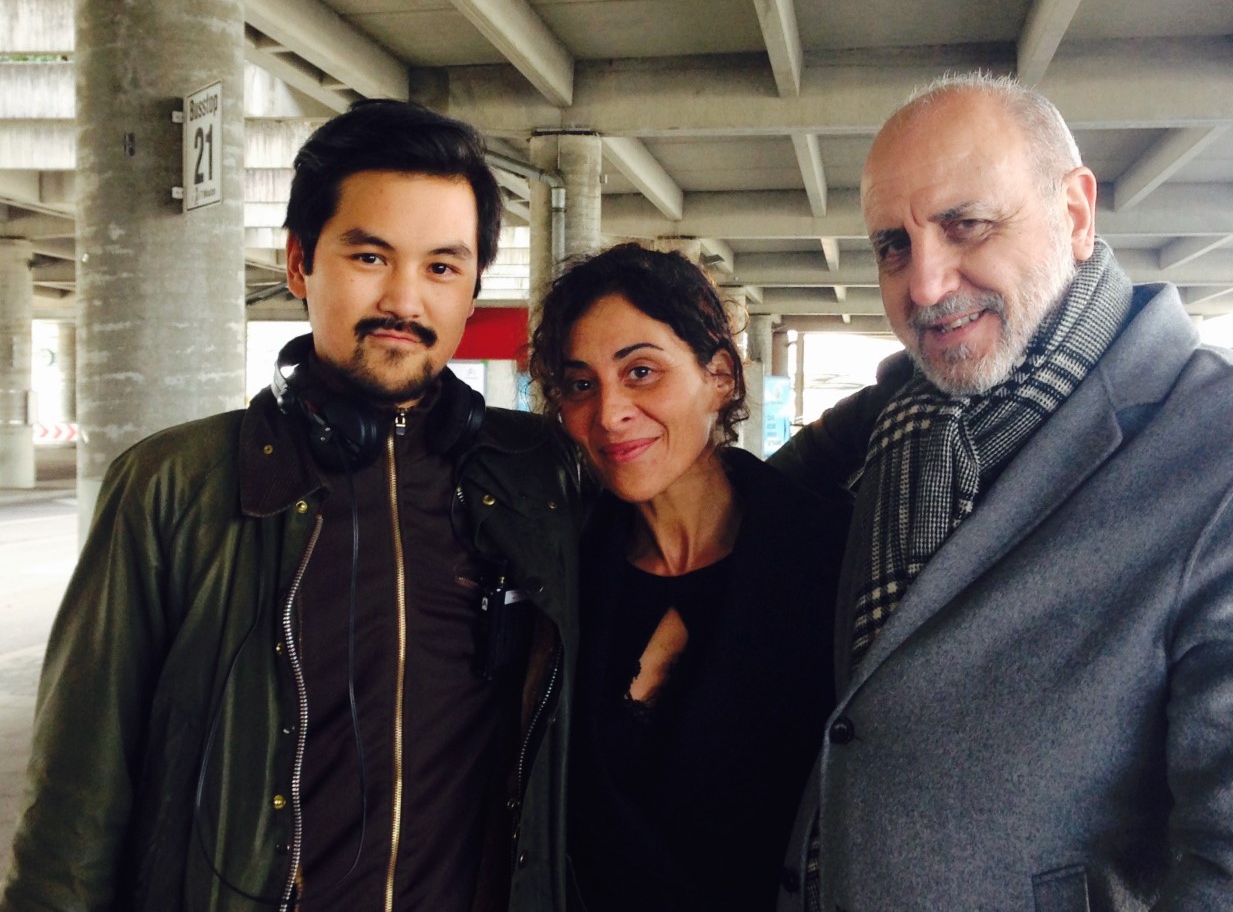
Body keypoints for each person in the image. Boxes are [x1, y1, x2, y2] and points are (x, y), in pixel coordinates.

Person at [2, 101, 583, 912]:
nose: (406, 299)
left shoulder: (539, 477)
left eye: (442, 268)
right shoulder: (172, 486)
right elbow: (77, 798)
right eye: (371, 256)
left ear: (474, 286)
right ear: (301, 263)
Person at [770, 72, 1233, 910]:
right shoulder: (902, 414)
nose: (925, 285)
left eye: (965, 225)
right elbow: (746, 501)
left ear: (1075, 214)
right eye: (893, 245)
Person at [526, 243, 851, 912]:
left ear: (720, 377)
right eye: (581, 384)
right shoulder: (559, 572)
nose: (609, 412)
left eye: (641, 372)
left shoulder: (832, 556)